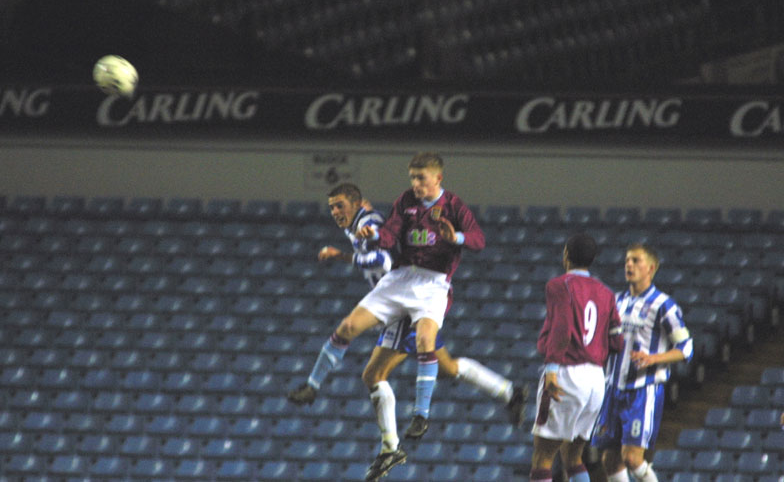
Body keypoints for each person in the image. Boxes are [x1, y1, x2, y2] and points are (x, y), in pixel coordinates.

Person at [292, 182, 527, 463]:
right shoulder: (357, 222)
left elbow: (384, 260)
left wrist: (342, 256)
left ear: (357, 203)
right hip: (396, 299)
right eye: (331, 207)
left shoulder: (370, 222)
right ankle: (510, 392)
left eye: (339, 205)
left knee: (373, 375)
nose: (334, 211)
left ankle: (390, 447)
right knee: (448, 368)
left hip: (402, 304)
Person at [591, 243, 694, 482]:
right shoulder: (616, 301)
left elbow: (686, 347)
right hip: (613, 389)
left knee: (632, 458)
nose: (629, 264)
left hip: (642, 392)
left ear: (651, 268)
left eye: (636, 260)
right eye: (627, 260)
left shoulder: (663, 305)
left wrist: (653, 359)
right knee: (609, 461)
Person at [529, 233, 624, 482]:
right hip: (595, 379)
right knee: (573, 456)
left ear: (566, 255)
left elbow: (561, 328)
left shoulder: (559, 285)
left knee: (543, 456)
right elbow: (617, 340)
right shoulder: (606, 293)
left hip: (566, 373)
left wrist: (551, 370)